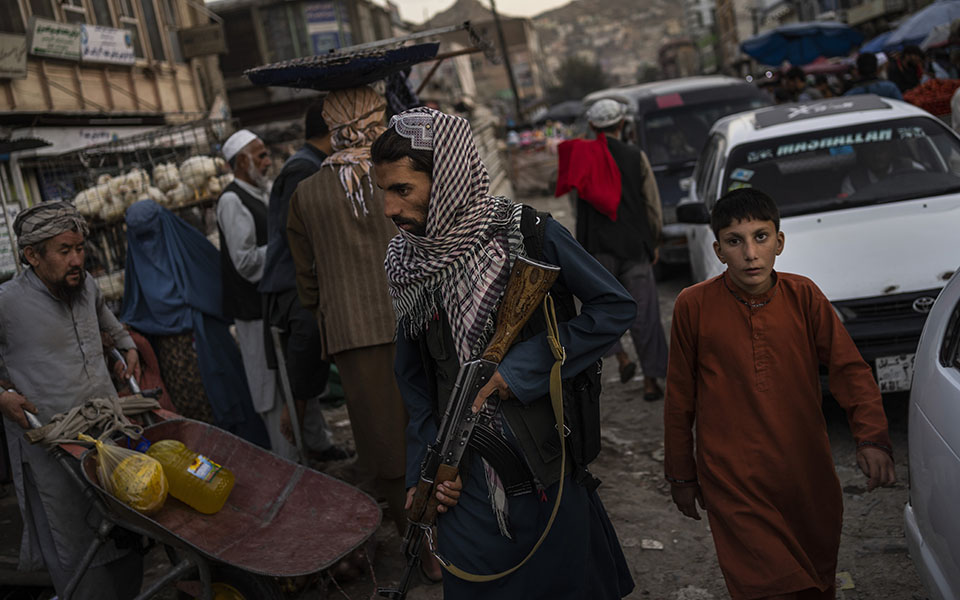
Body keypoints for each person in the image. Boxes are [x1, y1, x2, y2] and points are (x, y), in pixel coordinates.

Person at [375, 106, 636, 598]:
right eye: (383, 191)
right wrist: (423, 474)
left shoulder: (523, 233)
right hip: (465, 485)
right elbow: (414, 382)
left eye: (402, 190)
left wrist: (520, 370)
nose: (389, 208)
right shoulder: (406, 263)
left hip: (545, 466)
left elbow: (614, 308)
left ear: (447, 179)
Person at [663, 188, 897, 600]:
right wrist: (681, 473)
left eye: (761, 237)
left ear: (780, 242)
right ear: (718, 250)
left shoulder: (803, 295)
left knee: (815, 578)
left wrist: (872, 436)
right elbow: (680, 398)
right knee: (766, 585)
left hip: (805, 472)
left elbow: (849, 370)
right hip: (732, 477)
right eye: (735, 242)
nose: (750, 254)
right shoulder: (693, 306)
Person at [0, 202, 144, 599]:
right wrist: (2, 397)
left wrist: (127, 347)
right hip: (52, 445)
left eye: (80, 248)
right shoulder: (7, 302)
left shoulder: (86, 286)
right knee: (75, 543)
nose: (77, 259)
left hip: (107, 431)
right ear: (32, 255)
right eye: (65, 251)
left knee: (125, 529)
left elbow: (107, 321)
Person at [286, 85, 408, 535]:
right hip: (416, 318)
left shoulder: (306, 193)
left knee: (382, 440)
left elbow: (306, 279)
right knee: (431, 422)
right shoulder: (402, 175)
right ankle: (450, 527)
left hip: (352, 333)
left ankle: (416, 533)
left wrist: (330, 308)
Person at [121, 199, 269, 446]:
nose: (149, 244)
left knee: (218, 412)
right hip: (185, 353)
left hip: (197, 348)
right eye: (142, 236)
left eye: (151, 233)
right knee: (199, 414)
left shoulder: (169, 256)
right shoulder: (184, 249)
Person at [258, 102, 350, 463]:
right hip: (291, 281)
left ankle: (310, 437)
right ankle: (294, 423)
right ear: (333, 130)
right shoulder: (302, 170)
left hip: (301, 277)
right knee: (307, 346)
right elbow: (298, 232)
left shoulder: (314, 165)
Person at [561, 98, 669, 400]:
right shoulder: (636, 156)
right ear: (622, 124)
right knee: (645, 314)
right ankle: (650, 380)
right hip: (635, 246)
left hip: (597, 250)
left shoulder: (581, 157)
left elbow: (575, 206)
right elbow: (652, 204)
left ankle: (621, 357)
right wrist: (655, 240)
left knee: (600, 309)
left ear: (593, 126)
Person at [217, 129, 302, 459]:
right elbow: (246, 262)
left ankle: (306, 453)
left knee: (288, 381)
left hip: (272, 306)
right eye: (261, 155)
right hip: (253, 311)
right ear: (241, 161)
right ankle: (287, 463)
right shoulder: (231, 200)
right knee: (268, 390)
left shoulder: (259, 192)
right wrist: (284, 248)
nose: (268, 162)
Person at [839, 140, 925, 197]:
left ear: (891, 151)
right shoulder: (852, 182)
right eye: (871, 151)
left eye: (881, 150)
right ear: (863, 155)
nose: (877, 156)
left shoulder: (913, 169)